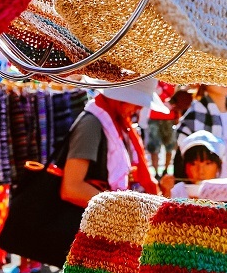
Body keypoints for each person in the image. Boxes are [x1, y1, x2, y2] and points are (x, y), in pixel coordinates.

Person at [61, 77, 160, 209]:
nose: (139, 108)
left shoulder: (118, 125)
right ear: (120, 98)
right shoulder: (91, 125)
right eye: (137, 102)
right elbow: (71, 188)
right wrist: (121, 207)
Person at [174, 84, 227, 205]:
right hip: (214, 204)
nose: (224, 81)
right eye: (217, 77)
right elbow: (188, 165)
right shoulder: (196, 113)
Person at [158, 130, 227, 205]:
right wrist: (166, 192)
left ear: (218, 165)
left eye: (208, 163)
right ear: (185, 166)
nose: (200, 171)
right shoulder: (177, 191)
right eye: (193, 164)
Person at [145, 83, 179, 180]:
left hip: (169, 118)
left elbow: (177, 98)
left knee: (170, 146)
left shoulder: (172, 82)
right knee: (154, 147)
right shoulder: (153, 81)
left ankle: (166, 170)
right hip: (154, 117)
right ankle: (155, 173)